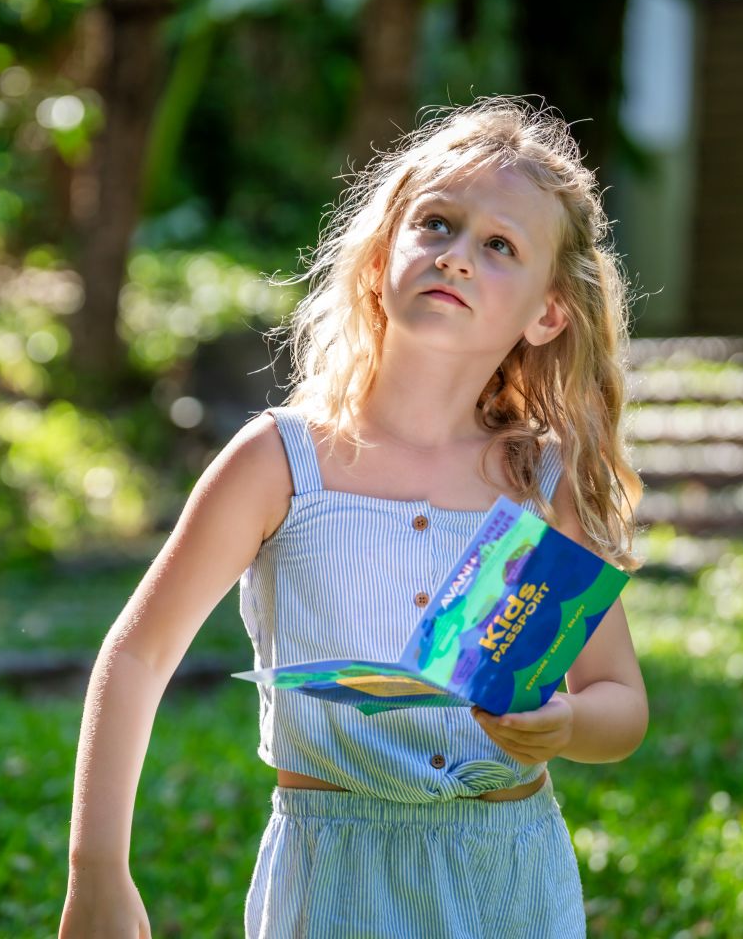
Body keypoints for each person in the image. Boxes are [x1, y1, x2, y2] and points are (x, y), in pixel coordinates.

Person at [60, 94, 649, 938]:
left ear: (548, 313)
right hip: (334, 882)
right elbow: (138, 655)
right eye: (437, 225)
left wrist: (565, 726)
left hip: (513, 882)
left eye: (499, 246)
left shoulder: (540, 480)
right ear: (380, 257)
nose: (456, 257)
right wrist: (97, 874)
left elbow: (620, 702)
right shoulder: (280, 463)